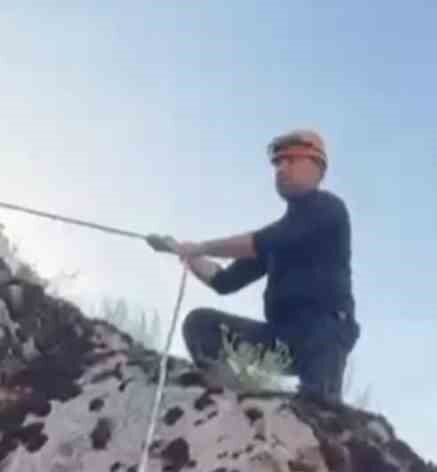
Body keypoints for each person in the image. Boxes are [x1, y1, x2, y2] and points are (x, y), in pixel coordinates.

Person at [148, 129, 359, 401]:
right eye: (278, 163)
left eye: (291, 160)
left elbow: (264, 241)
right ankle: (229, 398)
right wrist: (181, 251)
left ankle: (320, 403)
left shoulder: (329, 209)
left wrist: (201, 247)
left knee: (320, 406)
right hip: (280, 338)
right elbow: (225, 282)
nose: (281, 169)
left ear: (317, 167)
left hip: (325, 332)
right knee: (200, 324)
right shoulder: (275, 240)